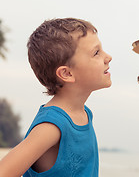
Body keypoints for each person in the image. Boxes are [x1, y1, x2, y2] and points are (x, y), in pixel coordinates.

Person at [0, 18, 112, 177]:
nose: (108, 57)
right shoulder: (52, 125)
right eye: (96, 53)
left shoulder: (84, 114)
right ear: (67, 73)